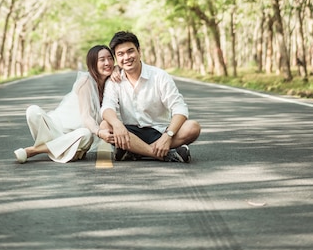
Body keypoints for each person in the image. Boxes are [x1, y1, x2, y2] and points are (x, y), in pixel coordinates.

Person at [101, 31, 201, 163]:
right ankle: (162, 154)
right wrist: (116, 124)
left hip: (160, 131)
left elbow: (180, 108)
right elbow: (107, 107)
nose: (126, 57)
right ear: (116, 58)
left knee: (193, 127)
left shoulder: (159, 76)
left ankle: (134, 151)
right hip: (131, 133)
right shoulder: (114, 80)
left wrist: (168, 136)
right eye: (120, 54)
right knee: (105, 125)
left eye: (130, 51)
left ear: (139, 51)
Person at [14, 44, 115, 164]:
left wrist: (118, 69)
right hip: (55, 129)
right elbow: (86, 117)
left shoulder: (112, 82)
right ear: (92, 63)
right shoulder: (86, 82)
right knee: (32, 110)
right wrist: (99, 131)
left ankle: (33, 150)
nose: (107, 63)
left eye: (110, 58)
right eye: (102, 60)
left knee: (86, 134)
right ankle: (65, 149)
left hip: (76, 135)